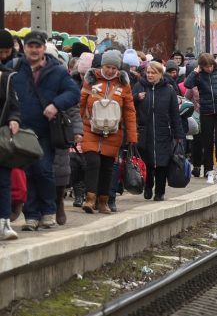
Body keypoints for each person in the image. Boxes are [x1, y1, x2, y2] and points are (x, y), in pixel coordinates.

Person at [8, 30, 80, 230]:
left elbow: (73, 92)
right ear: (24, 48)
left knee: (44, 170)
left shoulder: (56, 70)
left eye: (37, 46)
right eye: (30, 46)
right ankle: (31, 215)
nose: (33, 50)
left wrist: (56, 104)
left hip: (45, 131)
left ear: (43, 48)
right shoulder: (14, 68)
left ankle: (48, 212)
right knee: (27, 172)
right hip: (20, 130)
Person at [80, 50, 139, 214]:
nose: (111, 71)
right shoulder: (90, 80)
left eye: (114, 68)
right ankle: (90, 199)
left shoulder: (123, 84)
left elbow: (129, 111)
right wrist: (76, 129)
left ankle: (103, 201)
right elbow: (80, 104)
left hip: (113, 132)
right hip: (89, 128)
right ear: (102, 65)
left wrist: (132, 136)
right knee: (93, 161)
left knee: (107, 166)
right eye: (108, 67)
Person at [184, 53, 217, 182]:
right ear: (201, 66)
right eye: (206, 67)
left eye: (210, 66)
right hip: (206, 112)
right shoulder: (198, 76)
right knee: (207, 143)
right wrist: (195, 72)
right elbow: (187, 85)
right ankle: (209, 170)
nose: (209, 69)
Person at [133, 61, 184, 201]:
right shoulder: (139, 86)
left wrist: (178, 134)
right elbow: (129, 106)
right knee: (148, 161)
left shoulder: (168, 90)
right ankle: (148, 186)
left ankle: (160, 191)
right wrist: (137, 98)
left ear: (160, 74)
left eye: (153, 73)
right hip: (144, 131)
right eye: (148, 72)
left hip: (163, 131)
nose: (150, 75)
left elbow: (174, 114)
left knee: (162, 162)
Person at [0, 53, 23, 239]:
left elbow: (14, 106)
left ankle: (4, 223)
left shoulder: (6, 77)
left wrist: (14, 119)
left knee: (4, 180)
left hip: (1, 137)